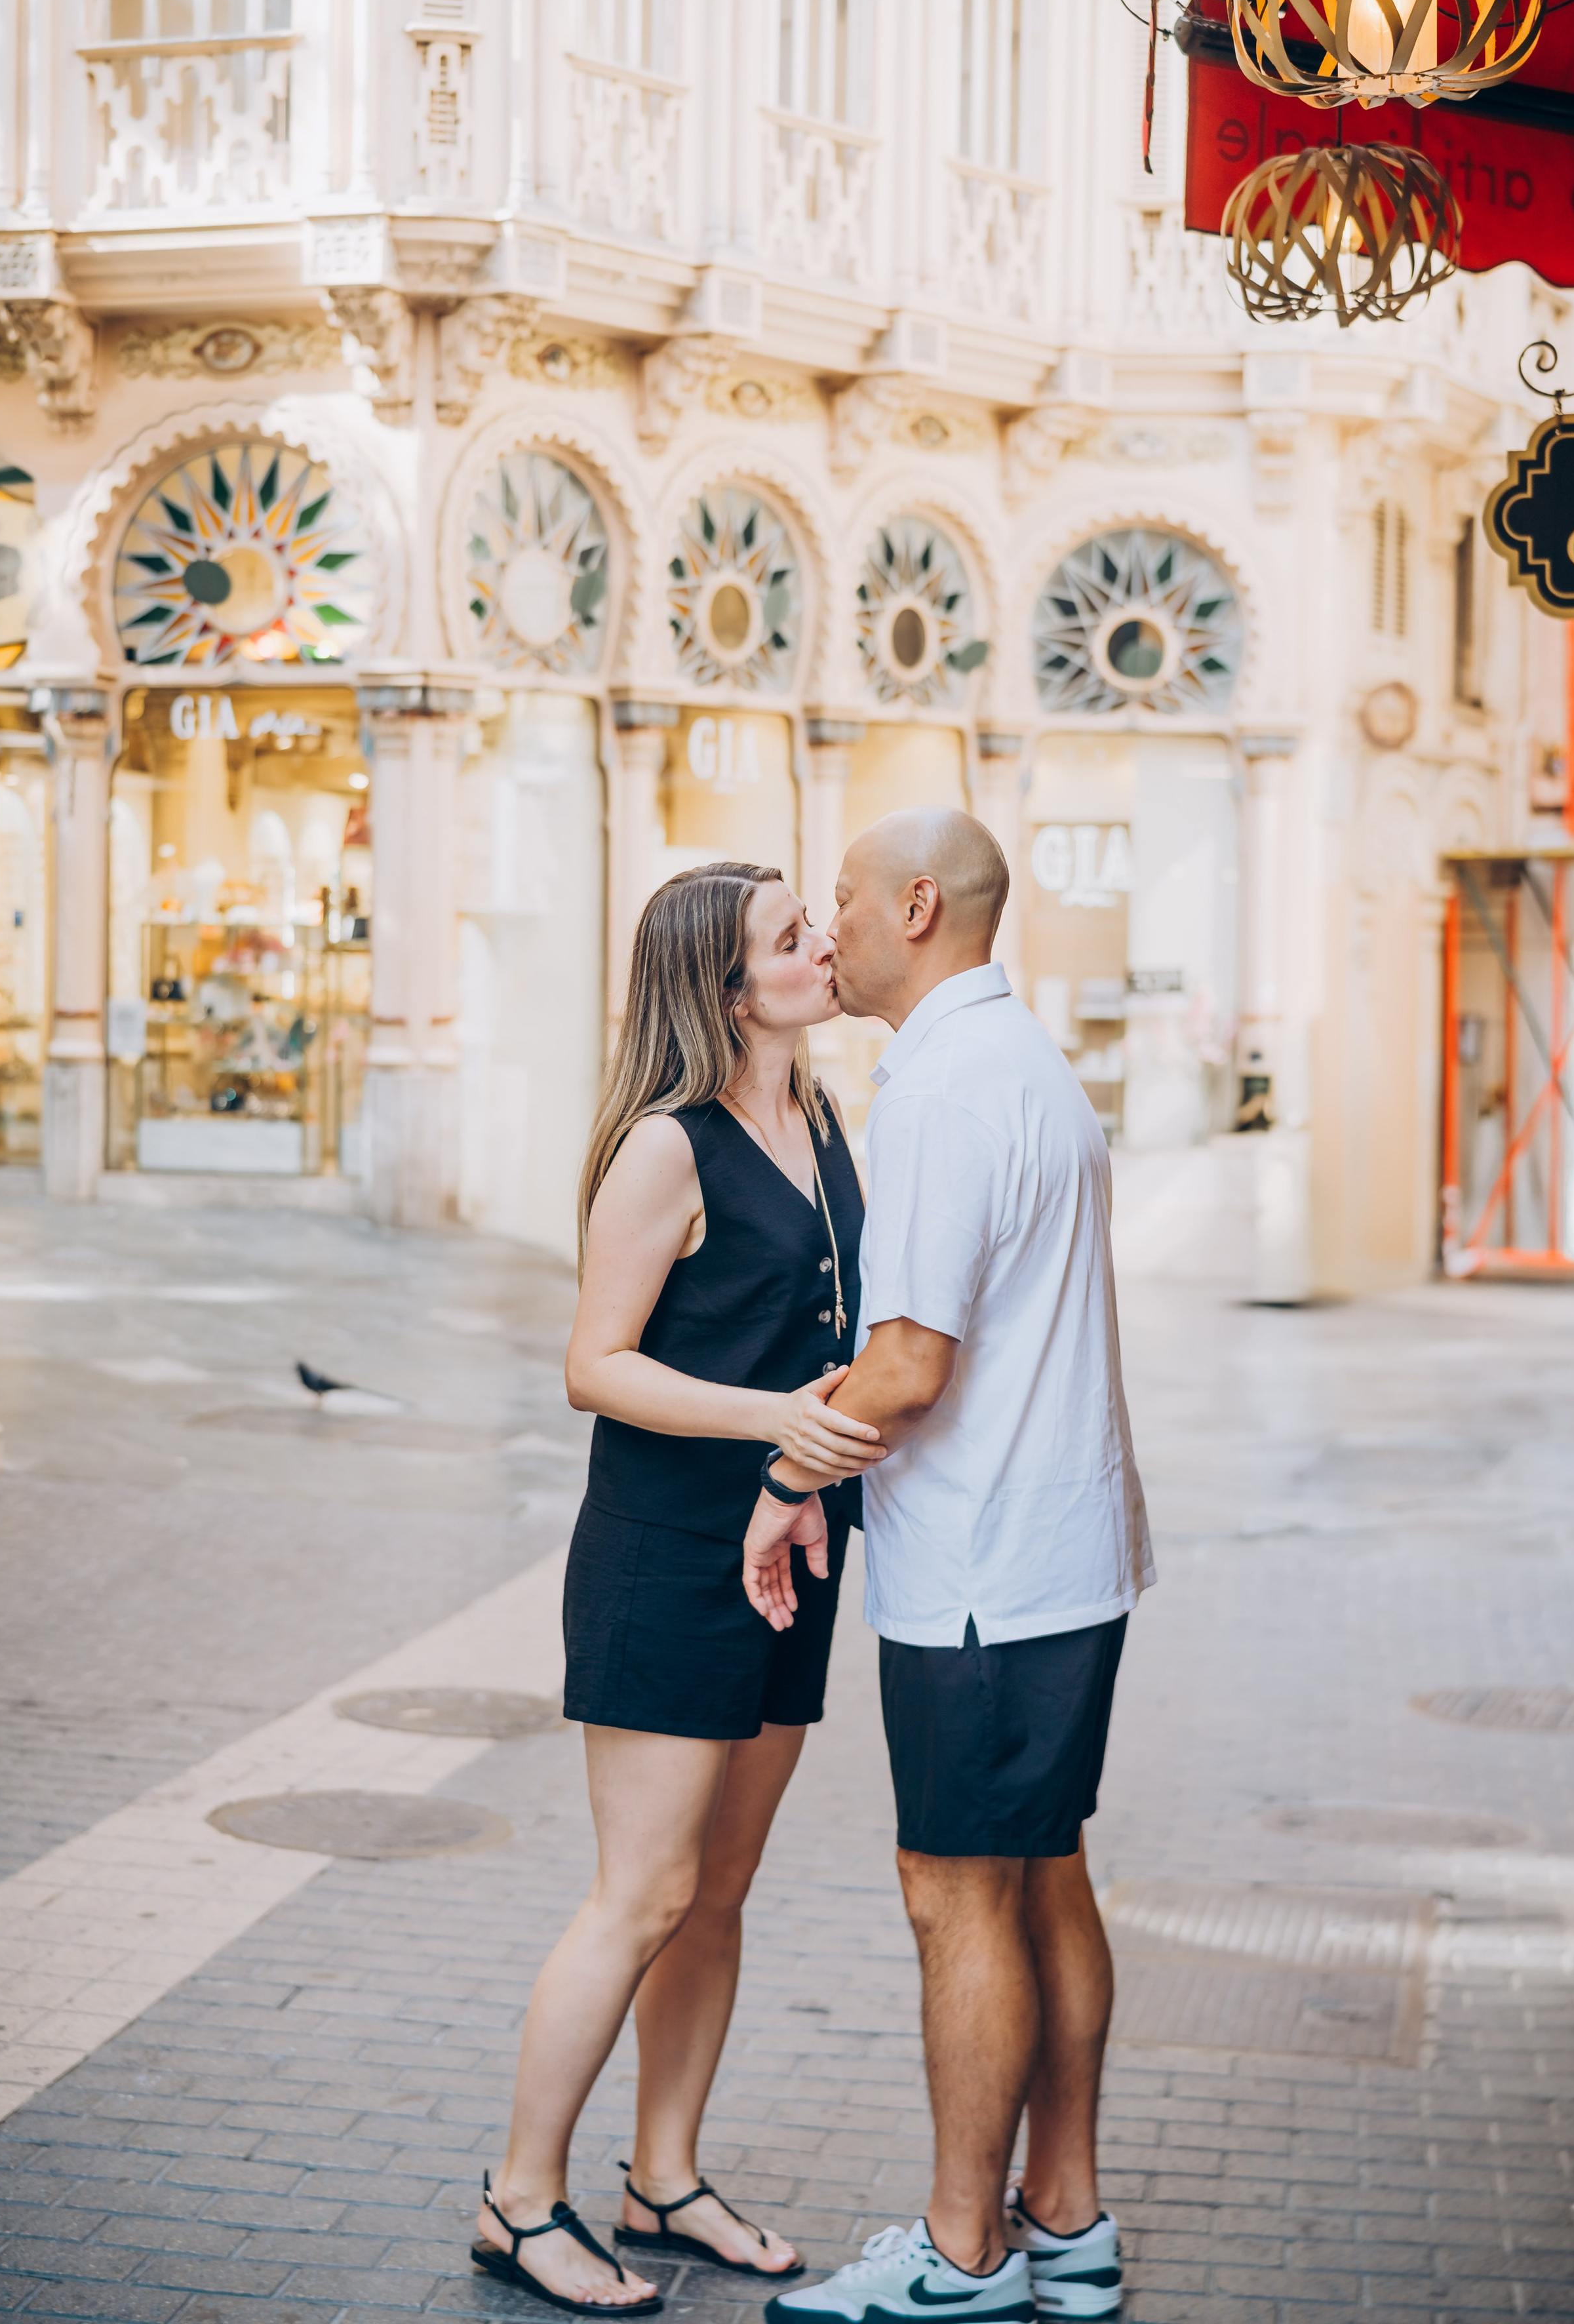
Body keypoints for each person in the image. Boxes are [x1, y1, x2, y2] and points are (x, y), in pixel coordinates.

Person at [746, 808, 1153, 2324]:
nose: (828, 926)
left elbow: (906, 1364)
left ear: (915, 906)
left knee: (954, 1892)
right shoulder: (1024, 1065)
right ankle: (1066, 2216)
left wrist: (786, 1478)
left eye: (841, 900)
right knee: (1040, 1873)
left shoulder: (939, 1090)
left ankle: (962, 2255)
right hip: (1061, 1552)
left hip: (985, 1568)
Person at [473, 862, 885, 2315]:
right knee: (641, 1893)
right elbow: (596, 1365)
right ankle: (519, 2200)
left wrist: (812, 1456)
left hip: (791, 1550)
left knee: (718, 1890)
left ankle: (664, 2176)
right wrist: (776, 1419)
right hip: (666, 1557)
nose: (822, 944)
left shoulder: (820, 1114)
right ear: (724, 989)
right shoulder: (667, 1144)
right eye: (790, 937)